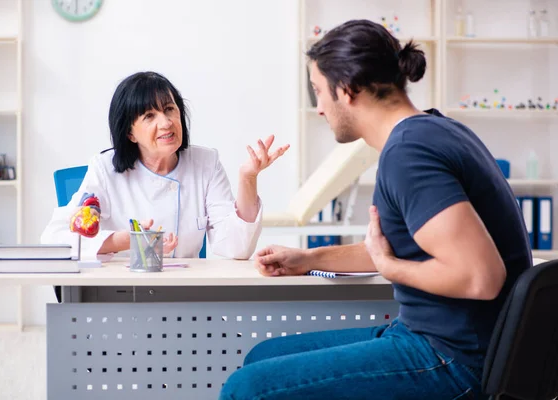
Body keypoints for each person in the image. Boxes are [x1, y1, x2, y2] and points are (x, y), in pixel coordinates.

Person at [220, 19, 531, 400]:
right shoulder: (434, 130)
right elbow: (402, 247)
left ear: (347, 89)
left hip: (455, 359)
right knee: (261, 357)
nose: (318, 108)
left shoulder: (409, 153)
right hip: (436, 338)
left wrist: (391, 269)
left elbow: (480, 277)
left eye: (319, 91)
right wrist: (308, 258)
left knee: (247, 388)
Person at [41, 71, 289, 260]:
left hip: (185, 300)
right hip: (120, 299)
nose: (167, 122)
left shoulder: (206, 163)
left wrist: (248, 179)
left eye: (170, 109)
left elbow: (237, 248)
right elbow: (55, 239)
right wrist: (125, 241)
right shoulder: (104, 169)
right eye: (149, 116)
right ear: (130, 133)